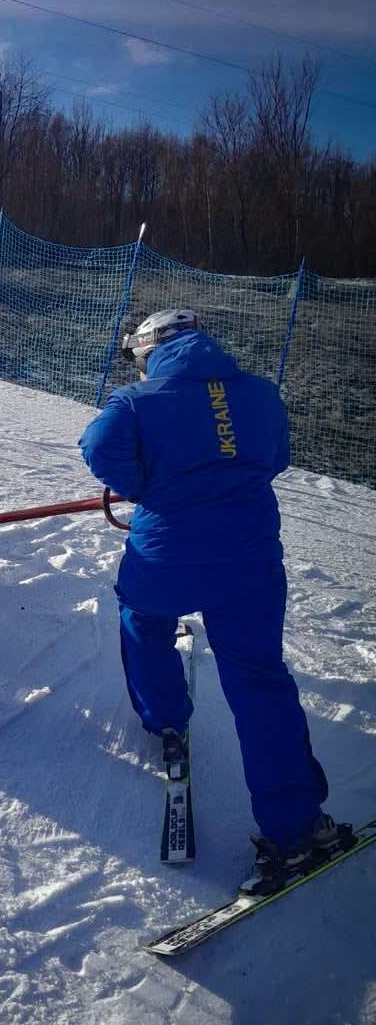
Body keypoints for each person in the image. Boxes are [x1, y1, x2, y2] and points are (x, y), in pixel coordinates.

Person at [79, 307, 352, 895]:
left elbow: (99, 450)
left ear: (152, 350)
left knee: (144, 619)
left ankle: (164, 717)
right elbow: (274, 458)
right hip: (249, 558)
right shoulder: (259, 393)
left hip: (167, 552)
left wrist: (149, 484)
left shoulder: (134, 401)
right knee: (259, 676)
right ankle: (299, 824)